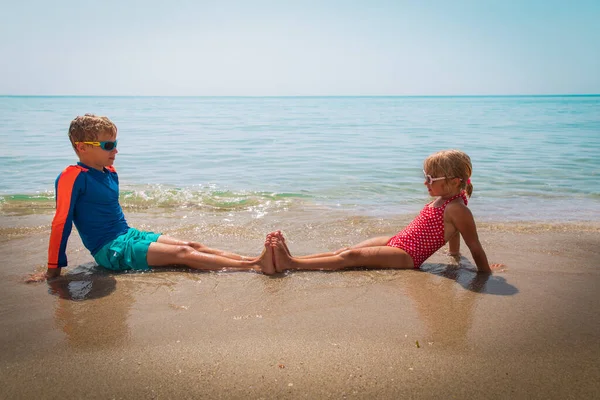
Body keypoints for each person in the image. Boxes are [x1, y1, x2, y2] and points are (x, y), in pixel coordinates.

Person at [31, 114, 273, 282]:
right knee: (182, 256)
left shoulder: (110, 173)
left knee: (190, 245)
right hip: (110, 249)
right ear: (82, 147)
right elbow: (61, 223)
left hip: (127, 234)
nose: (115, 150)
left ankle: (251, 258)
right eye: (108, 145)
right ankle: (256, 266)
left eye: (116, 143)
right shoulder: (72, 176)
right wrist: (54, 270)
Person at [264, 149, 503, 275]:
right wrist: (453, 256)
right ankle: (297, 258)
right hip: (399, 241)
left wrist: (484, 272)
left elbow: (475, 244)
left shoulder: (458, 208)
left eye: (430, 178)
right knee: (348, 250)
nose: (425, 182)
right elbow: (455, 235)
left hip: (408, 256)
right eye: (425, 177)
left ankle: (290, 263)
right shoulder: (447, 199)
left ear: (452, 181)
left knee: (351, 260)